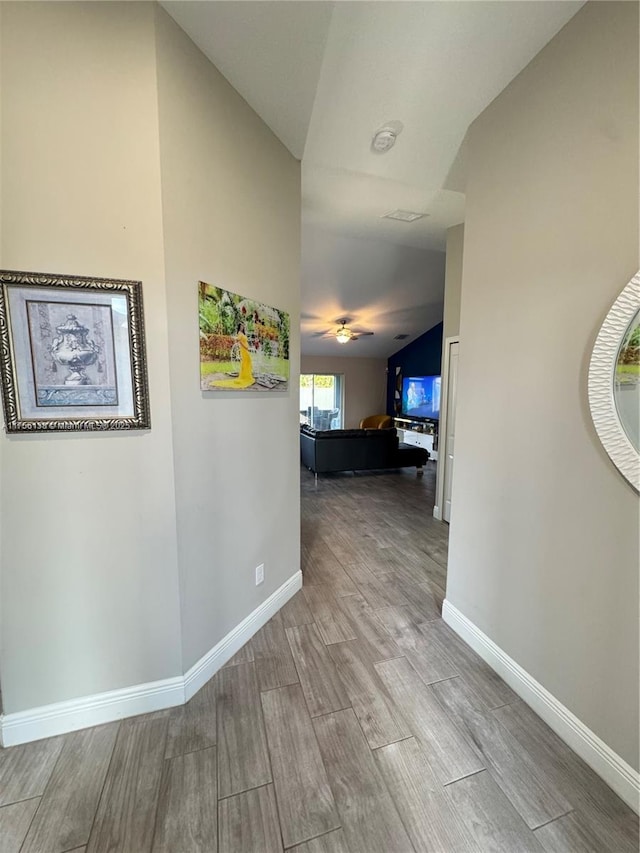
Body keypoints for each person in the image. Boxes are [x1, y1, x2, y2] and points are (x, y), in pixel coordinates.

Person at [210, 322, 255, 389]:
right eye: (241, 326)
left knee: (247, 362)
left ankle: (247, 376)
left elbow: (243, 340)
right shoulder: (239, 333)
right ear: (239, 327)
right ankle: (245, 376)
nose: (242, 327)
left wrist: (246, 347)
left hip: (246, 349)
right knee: (246, 361)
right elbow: (238, 341)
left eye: (243, 326)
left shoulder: (243, 333)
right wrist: (244, 346)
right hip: (244, 350)